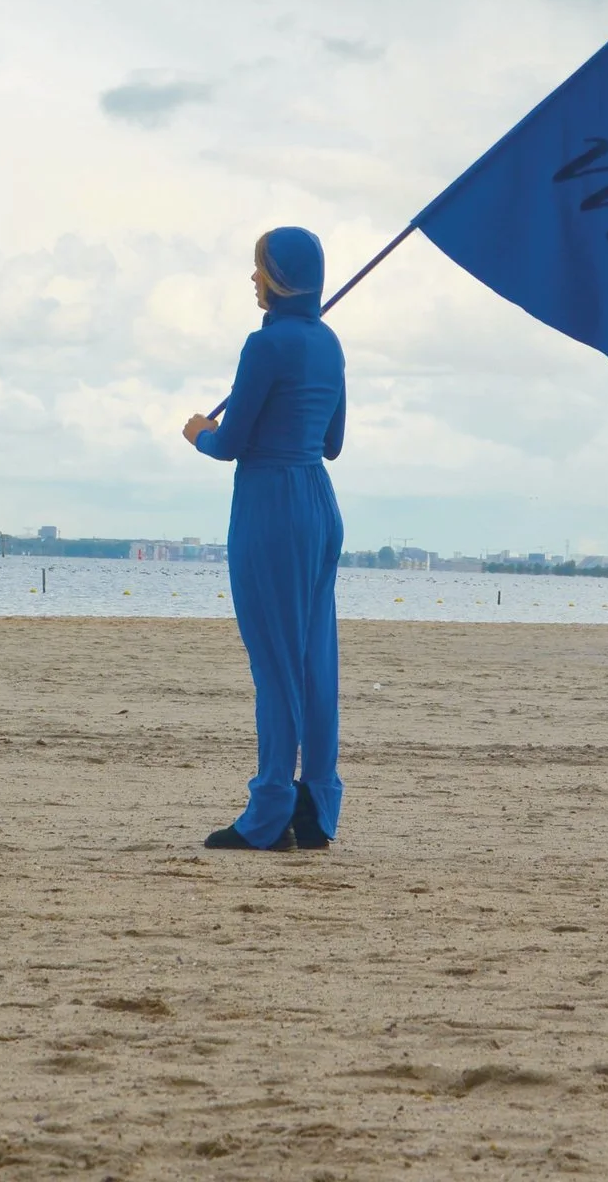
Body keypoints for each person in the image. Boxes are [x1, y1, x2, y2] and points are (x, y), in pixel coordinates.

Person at [182, 227, 346, 852]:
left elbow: (229, 444)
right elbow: (333, 442)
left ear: (280, 278)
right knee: (315, 661)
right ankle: (317, 806)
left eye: (260, 268)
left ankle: (271, 808)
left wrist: (199, 432)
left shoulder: (265, 344)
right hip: (318, 502)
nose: (253, 279)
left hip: (271, 505)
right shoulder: (329, 342)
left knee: (275, 664)